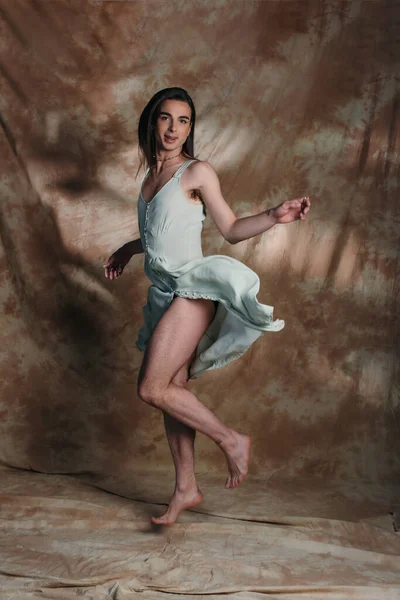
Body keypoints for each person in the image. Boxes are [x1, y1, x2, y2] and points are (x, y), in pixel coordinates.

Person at [104, 87, 311, 526]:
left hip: (193, 289)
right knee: (172, 390)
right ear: (152, 122)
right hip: (163, 293)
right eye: (166, 118)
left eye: (183, 121)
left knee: (151, 388)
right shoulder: (149, 177)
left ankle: (231, 439)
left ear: (191, 129)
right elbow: (162, 235)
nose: (174, 128)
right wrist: (127, 248)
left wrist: (274, 215)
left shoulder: (196, 172)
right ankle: (186, 487)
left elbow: (232, 228)